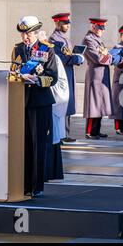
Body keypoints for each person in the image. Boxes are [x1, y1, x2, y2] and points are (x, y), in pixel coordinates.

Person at [10, 16, 58, 197]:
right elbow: (12, 71)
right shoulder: (18, 49)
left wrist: (36, 79)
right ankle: (23, 183)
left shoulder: (47, 49)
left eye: (28, 34)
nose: (25, 38)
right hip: (21, 101)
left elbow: (52, 77)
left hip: (40, 101)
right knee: (23, 144)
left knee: (38, 144)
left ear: (36, 33)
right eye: (23, 34)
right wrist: (18, 76)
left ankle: (36, 185)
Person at [49, 13, 85, 143]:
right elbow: (61, 58)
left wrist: (78, 57)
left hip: (68, 73)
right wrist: (76, 58)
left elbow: (68, 55)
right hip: (61, 75)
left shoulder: (64, 38)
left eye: (68, 23)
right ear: (58, 24)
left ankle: (66, 133)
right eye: (65, 23)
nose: (68, 25)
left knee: (68, 104)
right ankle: (60, 134)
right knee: (61, 105)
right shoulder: (54, 39)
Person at [82, 18, 114, 139]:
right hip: (94, 75)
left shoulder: (97, 40)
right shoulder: (88, 40)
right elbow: (98, 58)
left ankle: (96, 130)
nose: (102, 31)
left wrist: (108, 56)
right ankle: (90, 131)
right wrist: (110, 58)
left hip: (101, 74)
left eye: (103, 28)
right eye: (100, 28)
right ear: (93, 27)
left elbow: (106, 55)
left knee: (100, 104)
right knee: (93, 104)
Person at [46, 42, 69, 181]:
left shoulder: (52, 57)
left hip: (50, 99)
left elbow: (57, 80)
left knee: (51, 137)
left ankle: (51, 171)